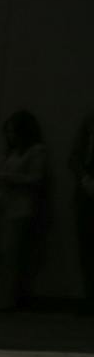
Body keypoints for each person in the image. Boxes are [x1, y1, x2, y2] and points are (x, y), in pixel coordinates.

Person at [0, 111, 48, 312]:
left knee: (10, 257)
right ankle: (0, 298)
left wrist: (6, 177)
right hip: (3, 206)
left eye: (13, 131)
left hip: (20, 208)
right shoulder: (12, 152)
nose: (10, 136)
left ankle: (5, 302)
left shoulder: (36, 151)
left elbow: (36, 178)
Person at [74, 110, 94, 308]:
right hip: (86, 193)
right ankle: (90, 297)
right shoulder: (87, 124)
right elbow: (74, 158)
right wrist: (85, 180)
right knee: (86, 246)